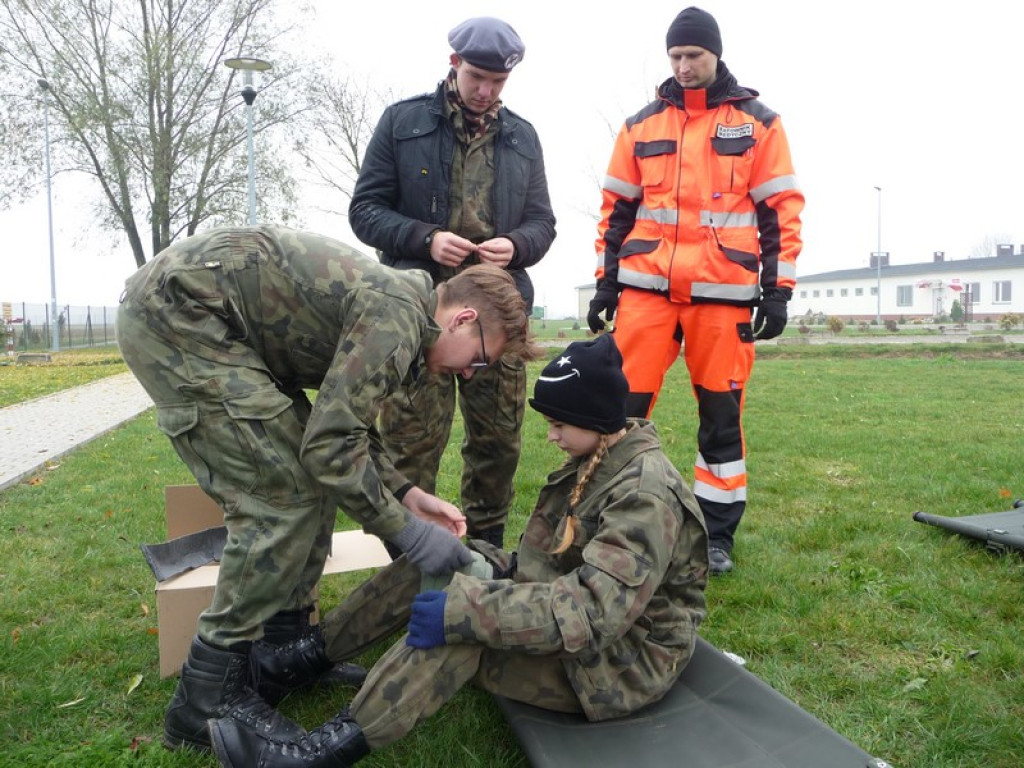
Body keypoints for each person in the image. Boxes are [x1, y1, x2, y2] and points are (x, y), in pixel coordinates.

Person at [117, 226, 542, 752]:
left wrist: (407, 493)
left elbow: (346, 427)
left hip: (215, 325)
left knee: (307, 483)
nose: (472, 376)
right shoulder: (397, 316)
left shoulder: (403, 314)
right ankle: (204, 698)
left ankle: (282, 653)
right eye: (479, 360)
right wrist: (410, 534)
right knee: (282, 497)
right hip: (177, 318)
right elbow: (332, 447)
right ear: (463, 319)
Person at [207, 333, 710, 768]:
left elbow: (594, 612)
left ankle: (321, 752)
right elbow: (555, 565)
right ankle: (300, 661)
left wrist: (470, 608)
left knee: (462, 631)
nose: (551, 434)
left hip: (622, 663)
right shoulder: (600, 456)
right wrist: (487, 567)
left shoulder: (644, 494)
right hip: (583, 623)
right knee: (438, 555)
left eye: (559, 423)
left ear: (597, 419)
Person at [586, 6, 804, 575]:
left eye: (693, 56)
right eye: (675, 57)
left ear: (716, 54)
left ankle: (715, 537)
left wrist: (777, 289)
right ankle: (612, 515)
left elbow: (780, 211)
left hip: (722, 296)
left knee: (721, 417)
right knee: (621, 412)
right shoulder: (640, 126)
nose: (683, 67)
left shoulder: (759, 124)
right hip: (644, 293)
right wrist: (605, 284)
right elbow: (616, 211)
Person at [348, 16, 556, 551]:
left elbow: (542, 223)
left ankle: (483, 551)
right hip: (420, 315)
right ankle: (408, 556)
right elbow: (365, 211)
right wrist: (424, 239)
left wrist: (518, 245)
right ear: (454, 64)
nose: (486, 92)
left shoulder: (523, 137)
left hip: (496, 316)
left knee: (498, 444)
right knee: (411, 443)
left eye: (498, 83)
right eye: (477, 78)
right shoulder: (403, 123)